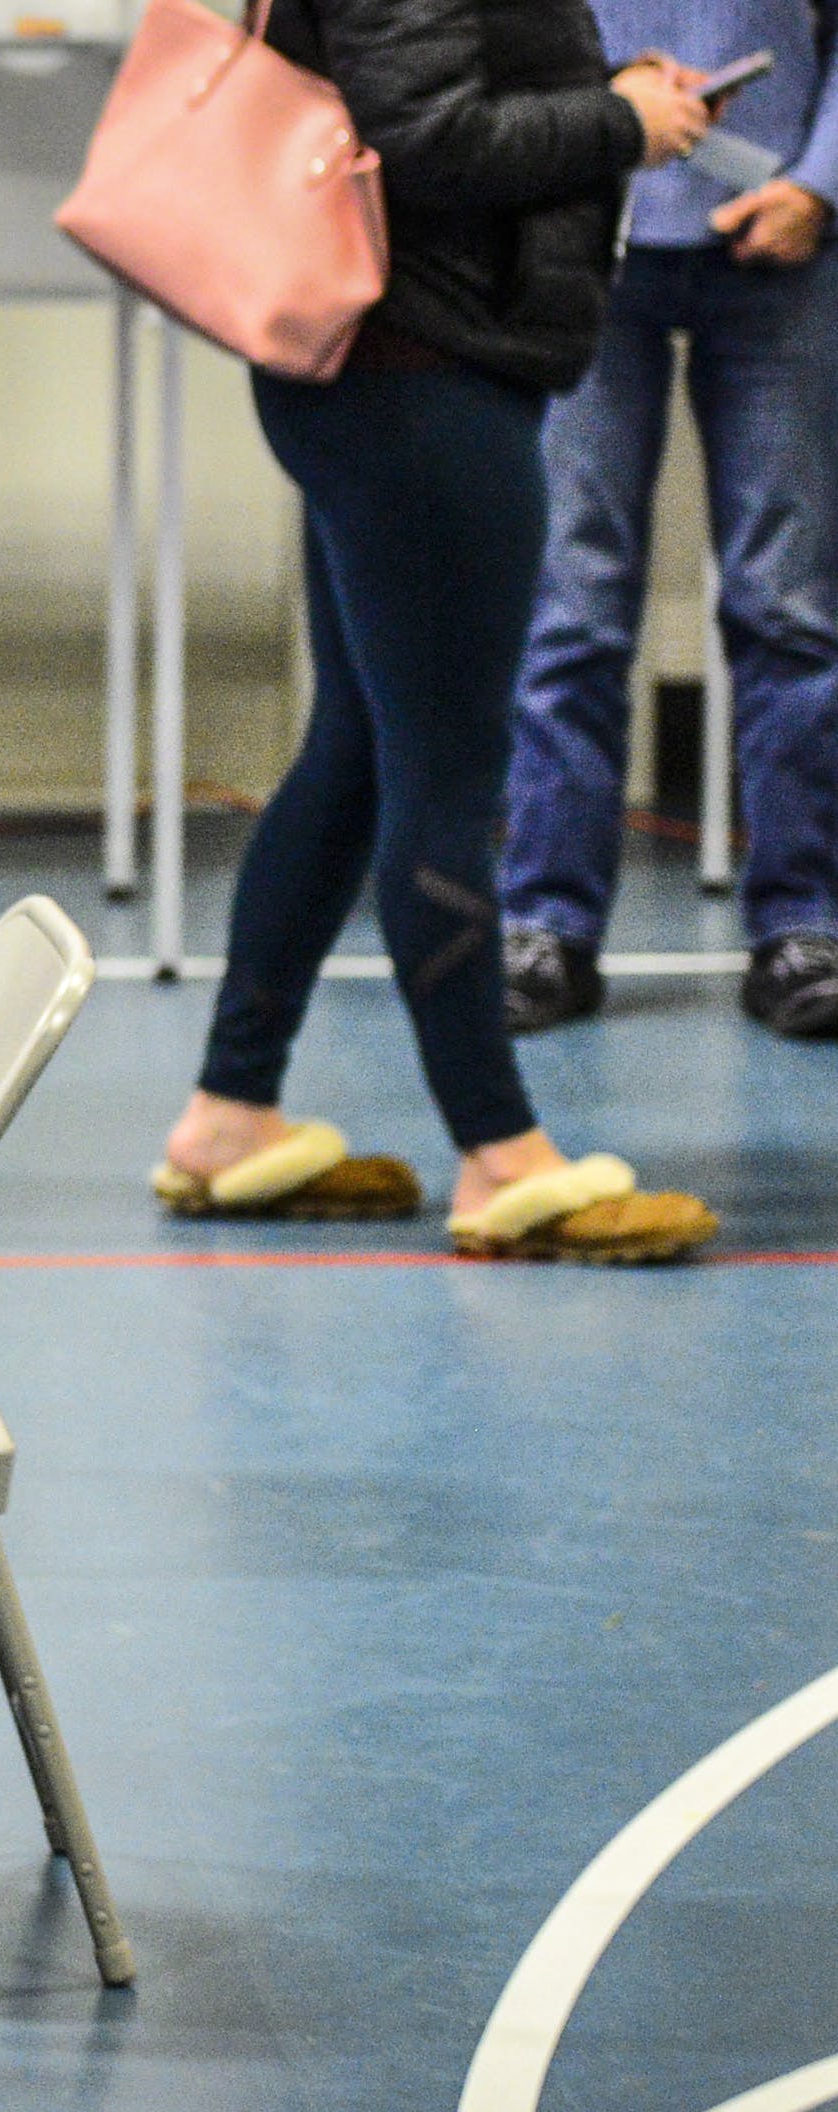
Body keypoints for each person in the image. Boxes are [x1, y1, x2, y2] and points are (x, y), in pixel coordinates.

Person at [153, 0, 720, 1264]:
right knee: (447, 780)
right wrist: (617, 121)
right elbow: (423, 134)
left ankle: (229, 1111)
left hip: (394, 367)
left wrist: (609, 92)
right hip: (422, 375)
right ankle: (500, 1154)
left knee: (355, 752)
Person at [499, 0, 838, 1041]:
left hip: (783, 234)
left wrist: (820, 185)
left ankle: (804, 927)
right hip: (586, 231)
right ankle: (544, 925)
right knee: (571, 599)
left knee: (787, 603)